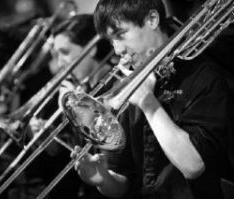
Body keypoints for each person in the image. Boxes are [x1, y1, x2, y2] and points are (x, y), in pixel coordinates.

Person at [70, 1, 234, 199]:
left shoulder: (203, 76)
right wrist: (102, 178)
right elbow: (124, 181)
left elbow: (194, 166)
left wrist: (149, 104)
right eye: (111, 40)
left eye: (121, 35)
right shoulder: (125, 86)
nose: (117, 50)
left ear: (152, 19)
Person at [26, 14, 114, 199]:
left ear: (90, 49)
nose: (59, 64)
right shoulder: (80, 88)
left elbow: (110, 149)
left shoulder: (115, 87)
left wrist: (75, 113)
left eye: (64, 52)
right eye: (56, 56)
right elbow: (76, 152)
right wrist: (51, 138)